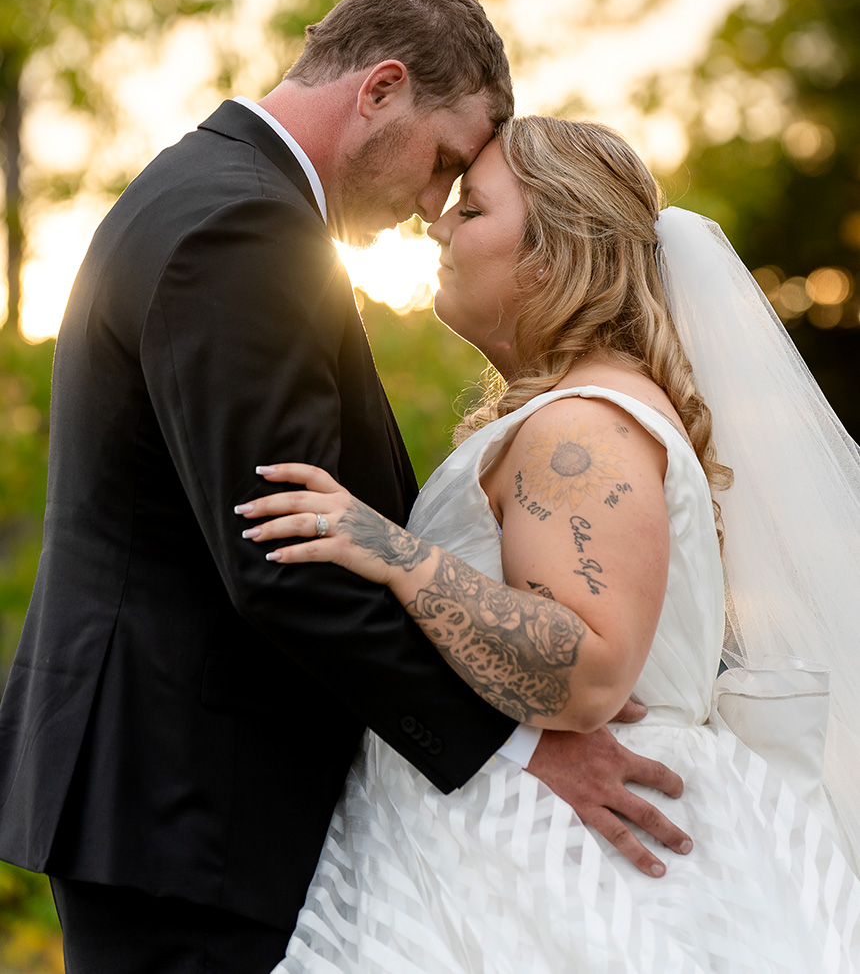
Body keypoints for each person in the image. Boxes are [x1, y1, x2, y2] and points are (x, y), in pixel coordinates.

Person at [0, 0, 690, 974]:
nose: (428, 207)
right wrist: (516, 745)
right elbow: (281, 555)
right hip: (192, 802)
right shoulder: (245, 229)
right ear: (380, 89)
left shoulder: (205, 188)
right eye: (441, 163)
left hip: (173, 796)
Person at [239, 116, 860, 973]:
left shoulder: (584, 428)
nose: (439, 224)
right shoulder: (584, 408)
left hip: (563, 861)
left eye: (473, 209)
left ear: (554, 252)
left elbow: (588, 670)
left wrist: (393, 551)